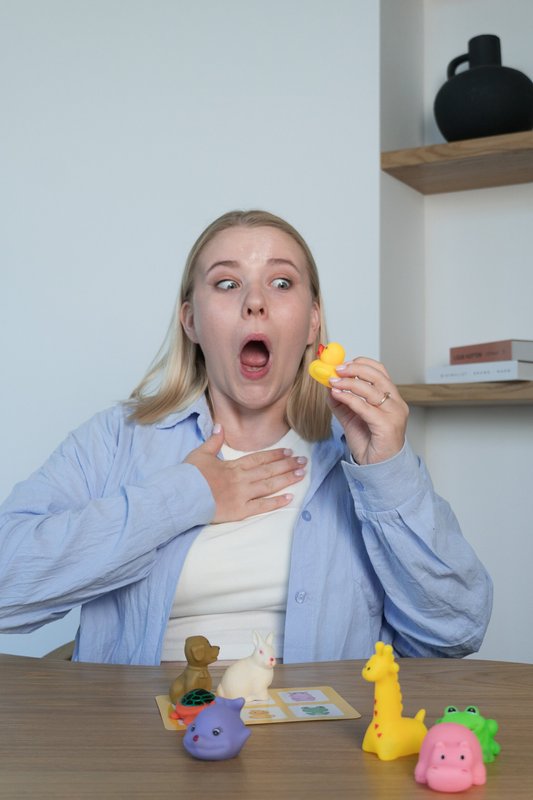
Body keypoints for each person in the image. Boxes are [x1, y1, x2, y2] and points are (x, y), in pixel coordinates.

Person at [0, 209, 492, 665]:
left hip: (321, 726)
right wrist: (185, 497)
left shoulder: (358, 451)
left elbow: (455, 631)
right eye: (227, 283)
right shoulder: (116, 440)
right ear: (191, 321)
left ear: (312, 321)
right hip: (143, 724)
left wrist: (389, 473)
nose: (255, 302)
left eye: (281, 283)